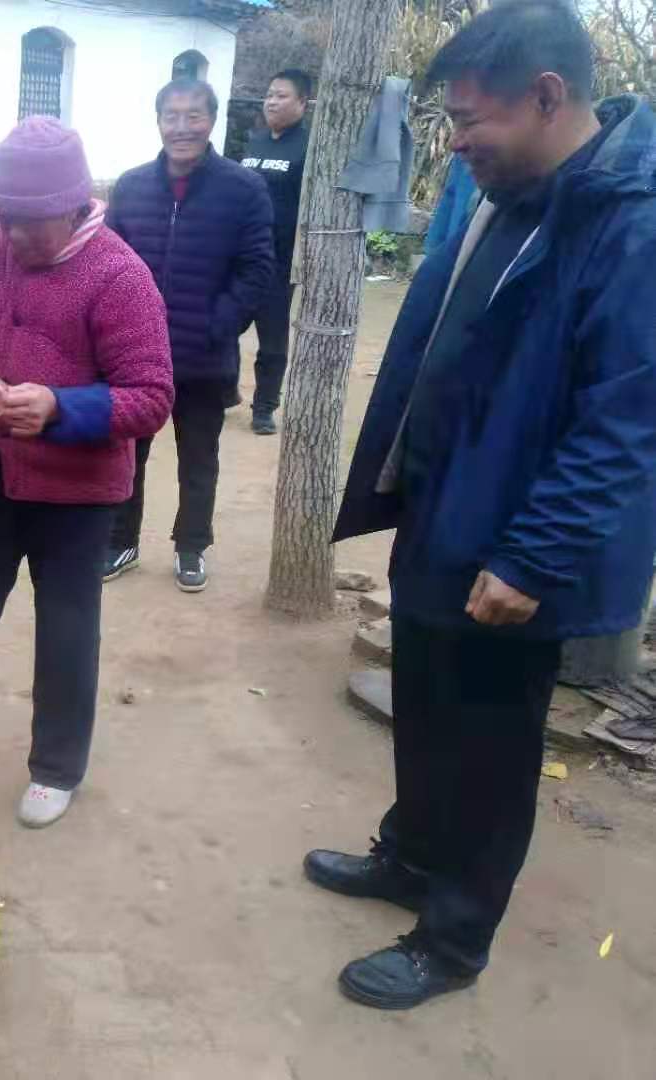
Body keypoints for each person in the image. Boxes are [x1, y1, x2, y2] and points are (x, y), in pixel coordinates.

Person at [312, 0, 656, 1010]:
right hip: (443, 507)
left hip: (517, 540)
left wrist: (532, 558)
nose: (456, 142)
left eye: (470, 120)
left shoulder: (628, 223)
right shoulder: (508, 192)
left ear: (547, 97)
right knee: (424, 704)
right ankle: (411, 857)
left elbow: (625, 419)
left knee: (492, 744)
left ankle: (454, 939)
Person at [0, 118, 174, 827]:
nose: (13, 236)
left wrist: (59, 407)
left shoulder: (119, 276)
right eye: (4, 217)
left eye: (29, 223)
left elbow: (151, 396)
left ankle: (56, 767)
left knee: (66, 631)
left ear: (75, 208)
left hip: (77, 496)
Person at [103, 79, 274, 588]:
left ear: (212, 120)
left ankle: (191, 545)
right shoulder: (131, 187)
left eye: (193, 116)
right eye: (171, 116)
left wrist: (218, 325)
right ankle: (121, 541)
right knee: (127, 454)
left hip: (204, 355)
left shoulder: (243, 190)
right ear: (158, 122)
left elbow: (257, 269)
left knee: (199, 458)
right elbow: (107, 263)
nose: (182, 127)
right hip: (135, 357)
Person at [241, 68, 313, 435]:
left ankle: (264, 407)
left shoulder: (309, 147)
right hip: (239, 258)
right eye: (269, 94)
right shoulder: (255, 142)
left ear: (302, 102)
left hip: (278, 261)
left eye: (281, 96)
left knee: (271, 340)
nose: (271, 101)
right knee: (223, 325)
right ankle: (222, 389)